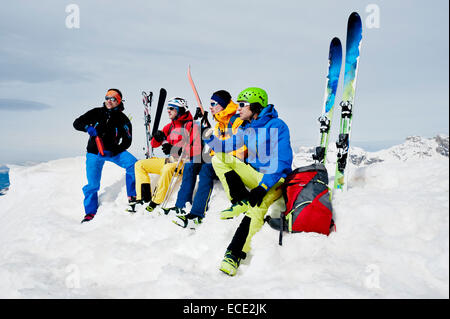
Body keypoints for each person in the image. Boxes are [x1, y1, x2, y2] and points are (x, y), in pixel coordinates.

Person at [205, 87, 293, 276]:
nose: (238, 109)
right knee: (219, 158)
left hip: (275, 181)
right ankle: (240, 200)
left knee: (257, 207)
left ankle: (234, 254)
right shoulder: (247, 128)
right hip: (256, 176)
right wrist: (209, 138)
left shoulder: (277, 125)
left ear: (255, 106)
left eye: (242, 105)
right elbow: (225, 147)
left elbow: (282, 161)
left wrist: (263, 187)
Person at [168, 90, 246, 229]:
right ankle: (181, 205)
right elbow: (216, 146)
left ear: (222, 105)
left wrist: (213, 148)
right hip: (220, 158)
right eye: (209, 104)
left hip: (235, 161)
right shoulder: (219, 123)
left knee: (206, 169)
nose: (210, 107)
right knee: (191, 164)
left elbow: (236, 147)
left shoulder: (236, 120)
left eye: (213, 104)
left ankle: (197, 214)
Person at [73, 88, 137, 223]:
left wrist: (116, 150)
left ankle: (132, 196)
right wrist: (87, 128)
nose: (109, 100)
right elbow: (77, 123)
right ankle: (90, 212)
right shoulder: (96, 112)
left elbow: (127, 140)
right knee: (93, 184)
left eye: (113, 98)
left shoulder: (123, 119)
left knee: (134, 164)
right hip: (94, 153)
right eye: (107, 97)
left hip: (113, 152)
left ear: (118, 101)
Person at [134, 97, 200, 212]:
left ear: (179, 109)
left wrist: (175, 149)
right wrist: (157, 137)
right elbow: (154, 145)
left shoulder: (191, 126)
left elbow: (197, 150)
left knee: (167, 168)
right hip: (171, 160)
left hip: (184, 163)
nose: (168, 111)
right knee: (140, 164)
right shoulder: (169, 126)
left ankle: (156, 201)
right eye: (167, 108)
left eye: (171, 108)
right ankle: (143, 198)